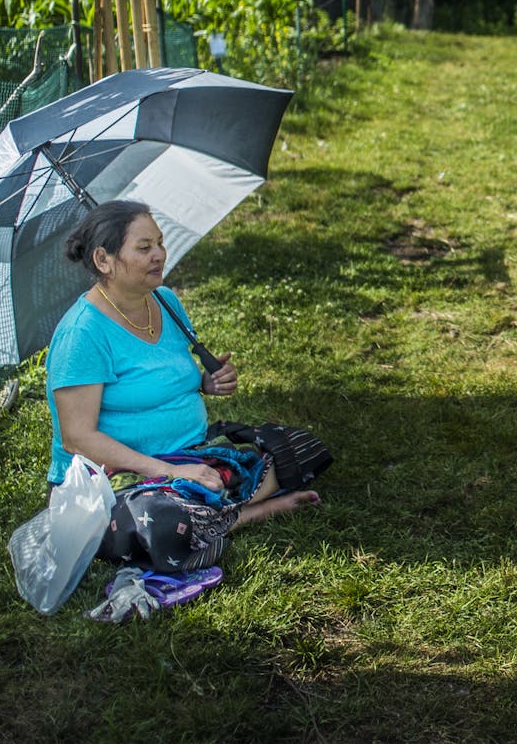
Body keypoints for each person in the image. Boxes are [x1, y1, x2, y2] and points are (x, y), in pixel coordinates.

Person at [47, 199, 320, 571]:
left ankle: (214, 507)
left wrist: (207, 383)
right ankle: (245, 512)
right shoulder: (83, 333)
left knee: (300, 448)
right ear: (103, 260)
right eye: (144, 248)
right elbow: (76, 437)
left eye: (159, 242)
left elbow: (168, 377)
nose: (159, 254)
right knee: (159, 521)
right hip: (121, 480)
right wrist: (169, 471)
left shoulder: (164, 300)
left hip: (191, 454)